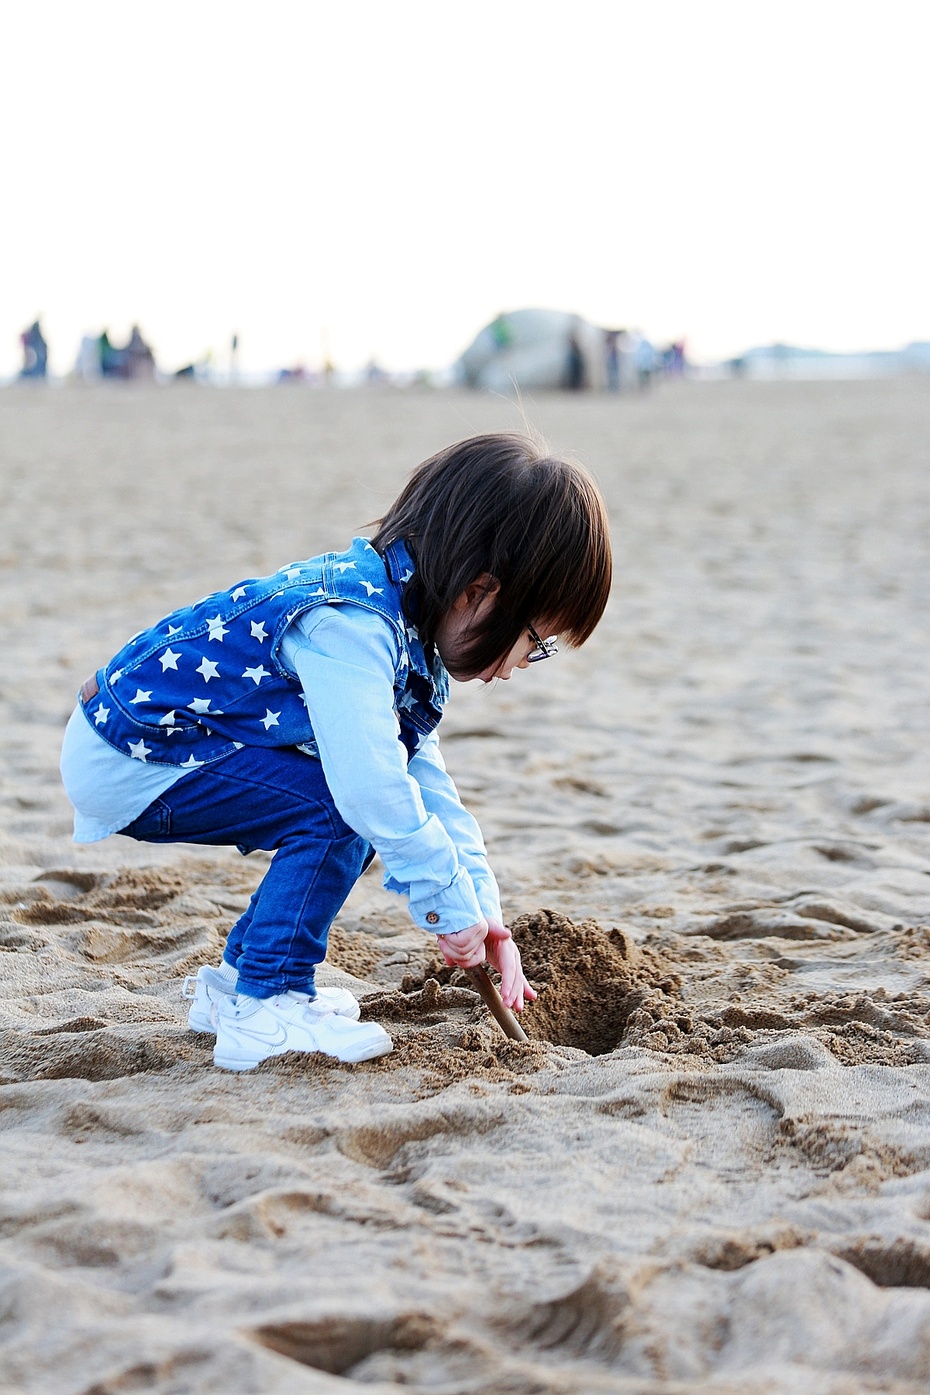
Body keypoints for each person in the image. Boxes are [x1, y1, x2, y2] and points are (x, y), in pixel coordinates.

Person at [60, 433, 612, 1072]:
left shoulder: (408, 633)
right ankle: (266, 1000)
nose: (519, 667)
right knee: (339, 810)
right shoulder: (353, 625)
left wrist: (482, 914)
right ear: (480, 590)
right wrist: (441, 901)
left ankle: (239, 984)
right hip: (135, 752)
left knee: (349, 800)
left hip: (162, 742)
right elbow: (373, 791)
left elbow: (423, 781)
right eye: (534, 642)